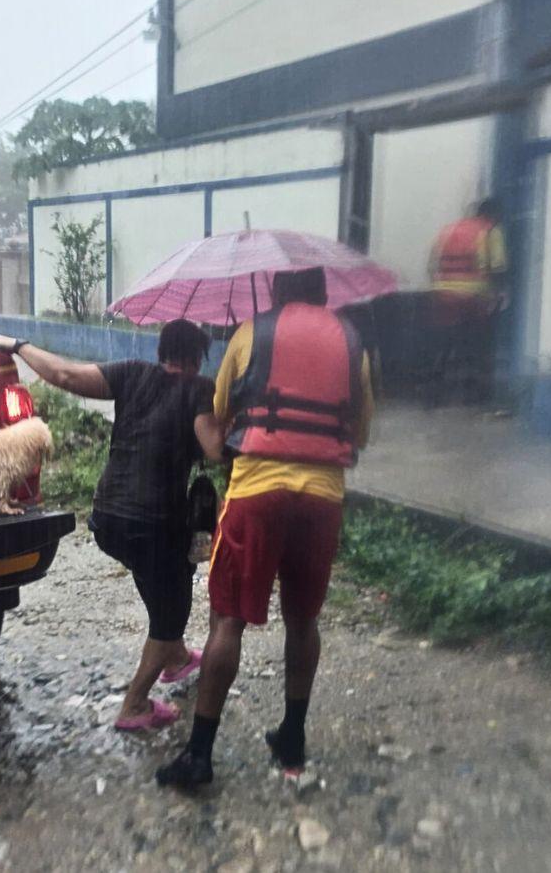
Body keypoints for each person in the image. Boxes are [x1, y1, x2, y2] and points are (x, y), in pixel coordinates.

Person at [155, 267, 375, 789]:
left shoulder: (251, 332)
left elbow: (221, 410)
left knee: (228, 619)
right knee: (303, 621)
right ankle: (292, 737)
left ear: (277, 290)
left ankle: (200, 756)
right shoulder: (353, 342)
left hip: (258, 489)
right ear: (324, 292)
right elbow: (360, 431)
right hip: (322, 497)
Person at [0, 321, 221, 730]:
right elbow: (215, 450)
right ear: (193, 359)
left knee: (164, 575)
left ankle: (178, 658)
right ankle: (135, 705)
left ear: (161, 352)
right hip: (152, 523)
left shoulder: (132, 372)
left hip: (108, 518)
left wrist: (17, 344)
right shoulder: (199, 390)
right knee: (172, 612)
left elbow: (63, 375)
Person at [425, 198, 508, 404]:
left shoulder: (448, 230)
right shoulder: (490, 230)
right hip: (475, 296)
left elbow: (431, 265)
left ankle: (433, 396)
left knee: (444, 346)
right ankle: (475, 397)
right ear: (493, 215)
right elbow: (498, 267)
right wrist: (500, 293)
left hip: (443, 294)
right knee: (477, 347)